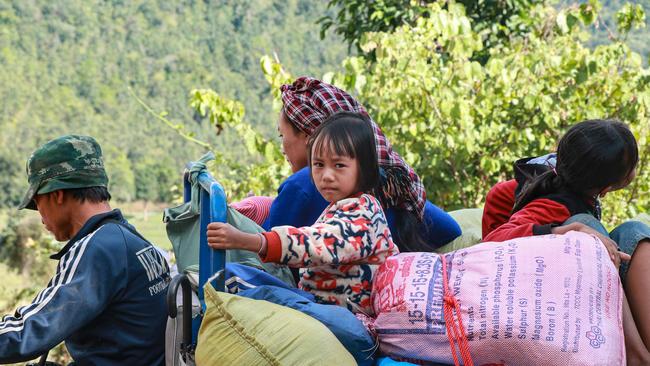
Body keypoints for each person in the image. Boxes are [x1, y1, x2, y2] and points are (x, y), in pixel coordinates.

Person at [481, 120, 650, 363]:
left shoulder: (555, 173)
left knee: (633, 232)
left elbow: (499, 193)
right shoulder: (553, 204)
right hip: (540, 310)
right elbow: (492, 241)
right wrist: (565, 231)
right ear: (605, 188)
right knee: (588, 228)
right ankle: (637, 355)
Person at [0, 135, 170, 365]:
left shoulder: (97, 249)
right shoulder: (129, 238)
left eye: (37, 204)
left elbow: (32, 330)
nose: (40, 217)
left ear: (56, 195)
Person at [207, 112, 398, 314]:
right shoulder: (342, 206)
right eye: (318, 165)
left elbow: (315, 243)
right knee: (241, 277)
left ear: (364, 168)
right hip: (322, 307)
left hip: (348, 319)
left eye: (339, 165)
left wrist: (247, 241)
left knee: (242, 284)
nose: (326, 176)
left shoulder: (364, 213)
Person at [262, 76, 460, 252]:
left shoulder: (303, 185)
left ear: (307, 136)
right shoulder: (391, 182)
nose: (282, 147)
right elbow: (450, 229)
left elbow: (260, 252)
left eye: (282, 135)